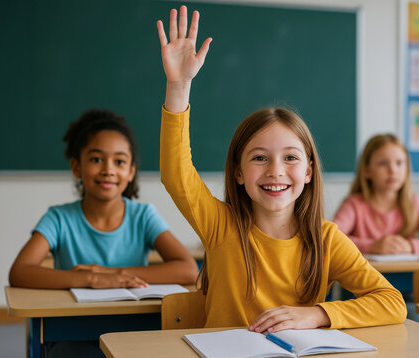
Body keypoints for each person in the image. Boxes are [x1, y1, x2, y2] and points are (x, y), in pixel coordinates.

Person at [157, 6, 406, 332]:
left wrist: (319, 314)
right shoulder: (221, 226)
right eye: (259, 158)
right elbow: (176, 173)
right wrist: (179, 86)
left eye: (290, 158)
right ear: (238, 173)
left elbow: (392, 302)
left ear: (308, 172)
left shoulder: (326, 239)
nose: (276, 170)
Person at [9, 109, 199, 289]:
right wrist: (92, 278)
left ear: (131, 172)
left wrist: (110, 274)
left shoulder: (143, 216)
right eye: (96, 159)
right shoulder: (58, 218)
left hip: (131, 319)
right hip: (73, 319)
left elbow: (189, 270)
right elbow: (19, 272)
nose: (108, 170)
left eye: (119, 162)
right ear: (77, 167)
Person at [334, 134, 419, 255]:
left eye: (399, 163)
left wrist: (411, 246)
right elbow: (332, 239)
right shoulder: (354, 204)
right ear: (366, 170)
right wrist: (371, 246)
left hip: (405, 273)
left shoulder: (414, 203)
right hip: (363, 274)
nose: (393, 170)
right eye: (383, 163)